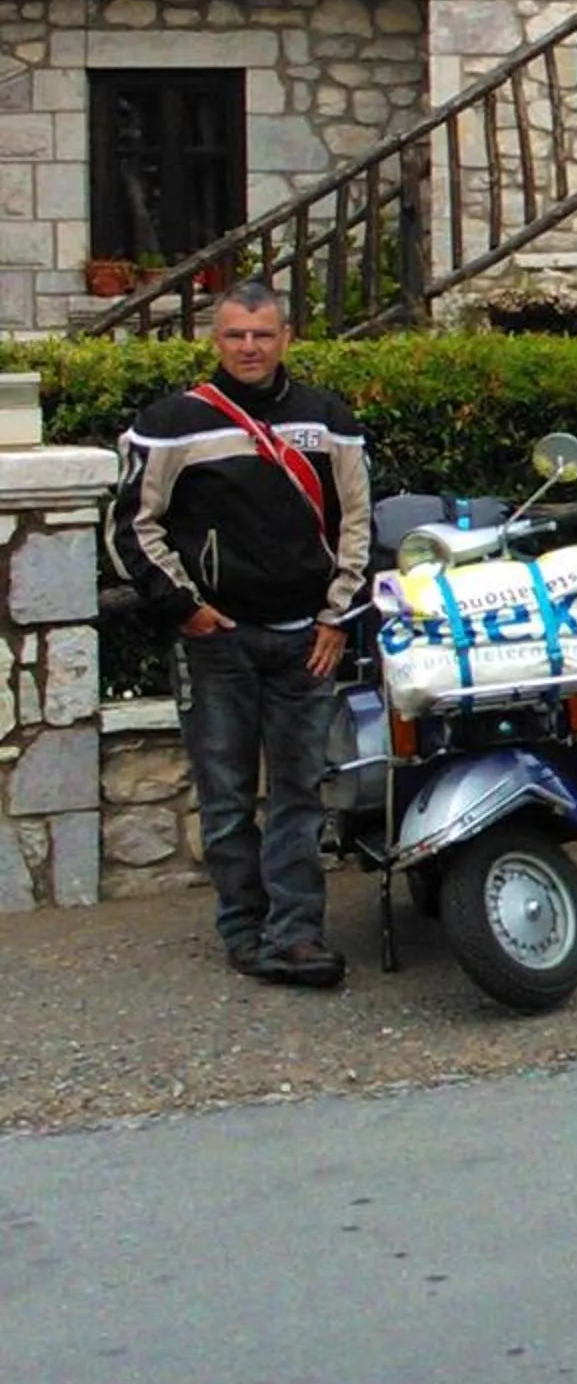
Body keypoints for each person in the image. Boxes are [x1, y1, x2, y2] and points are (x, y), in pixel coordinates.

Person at [109, 283, 371, 988]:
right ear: (214, 340)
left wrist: (335, 616)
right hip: (215, 643)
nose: (249, 347)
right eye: (235, 336)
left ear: (286, 336)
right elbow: (132, 525)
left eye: (262, 334)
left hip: (306, 643)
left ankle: (296, 936)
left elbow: (357, 524)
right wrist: (184, 607)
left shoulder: (328, 419)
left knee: (298, 794)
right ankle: (243, 930)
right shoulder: (172, 423)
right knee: (225, 797)